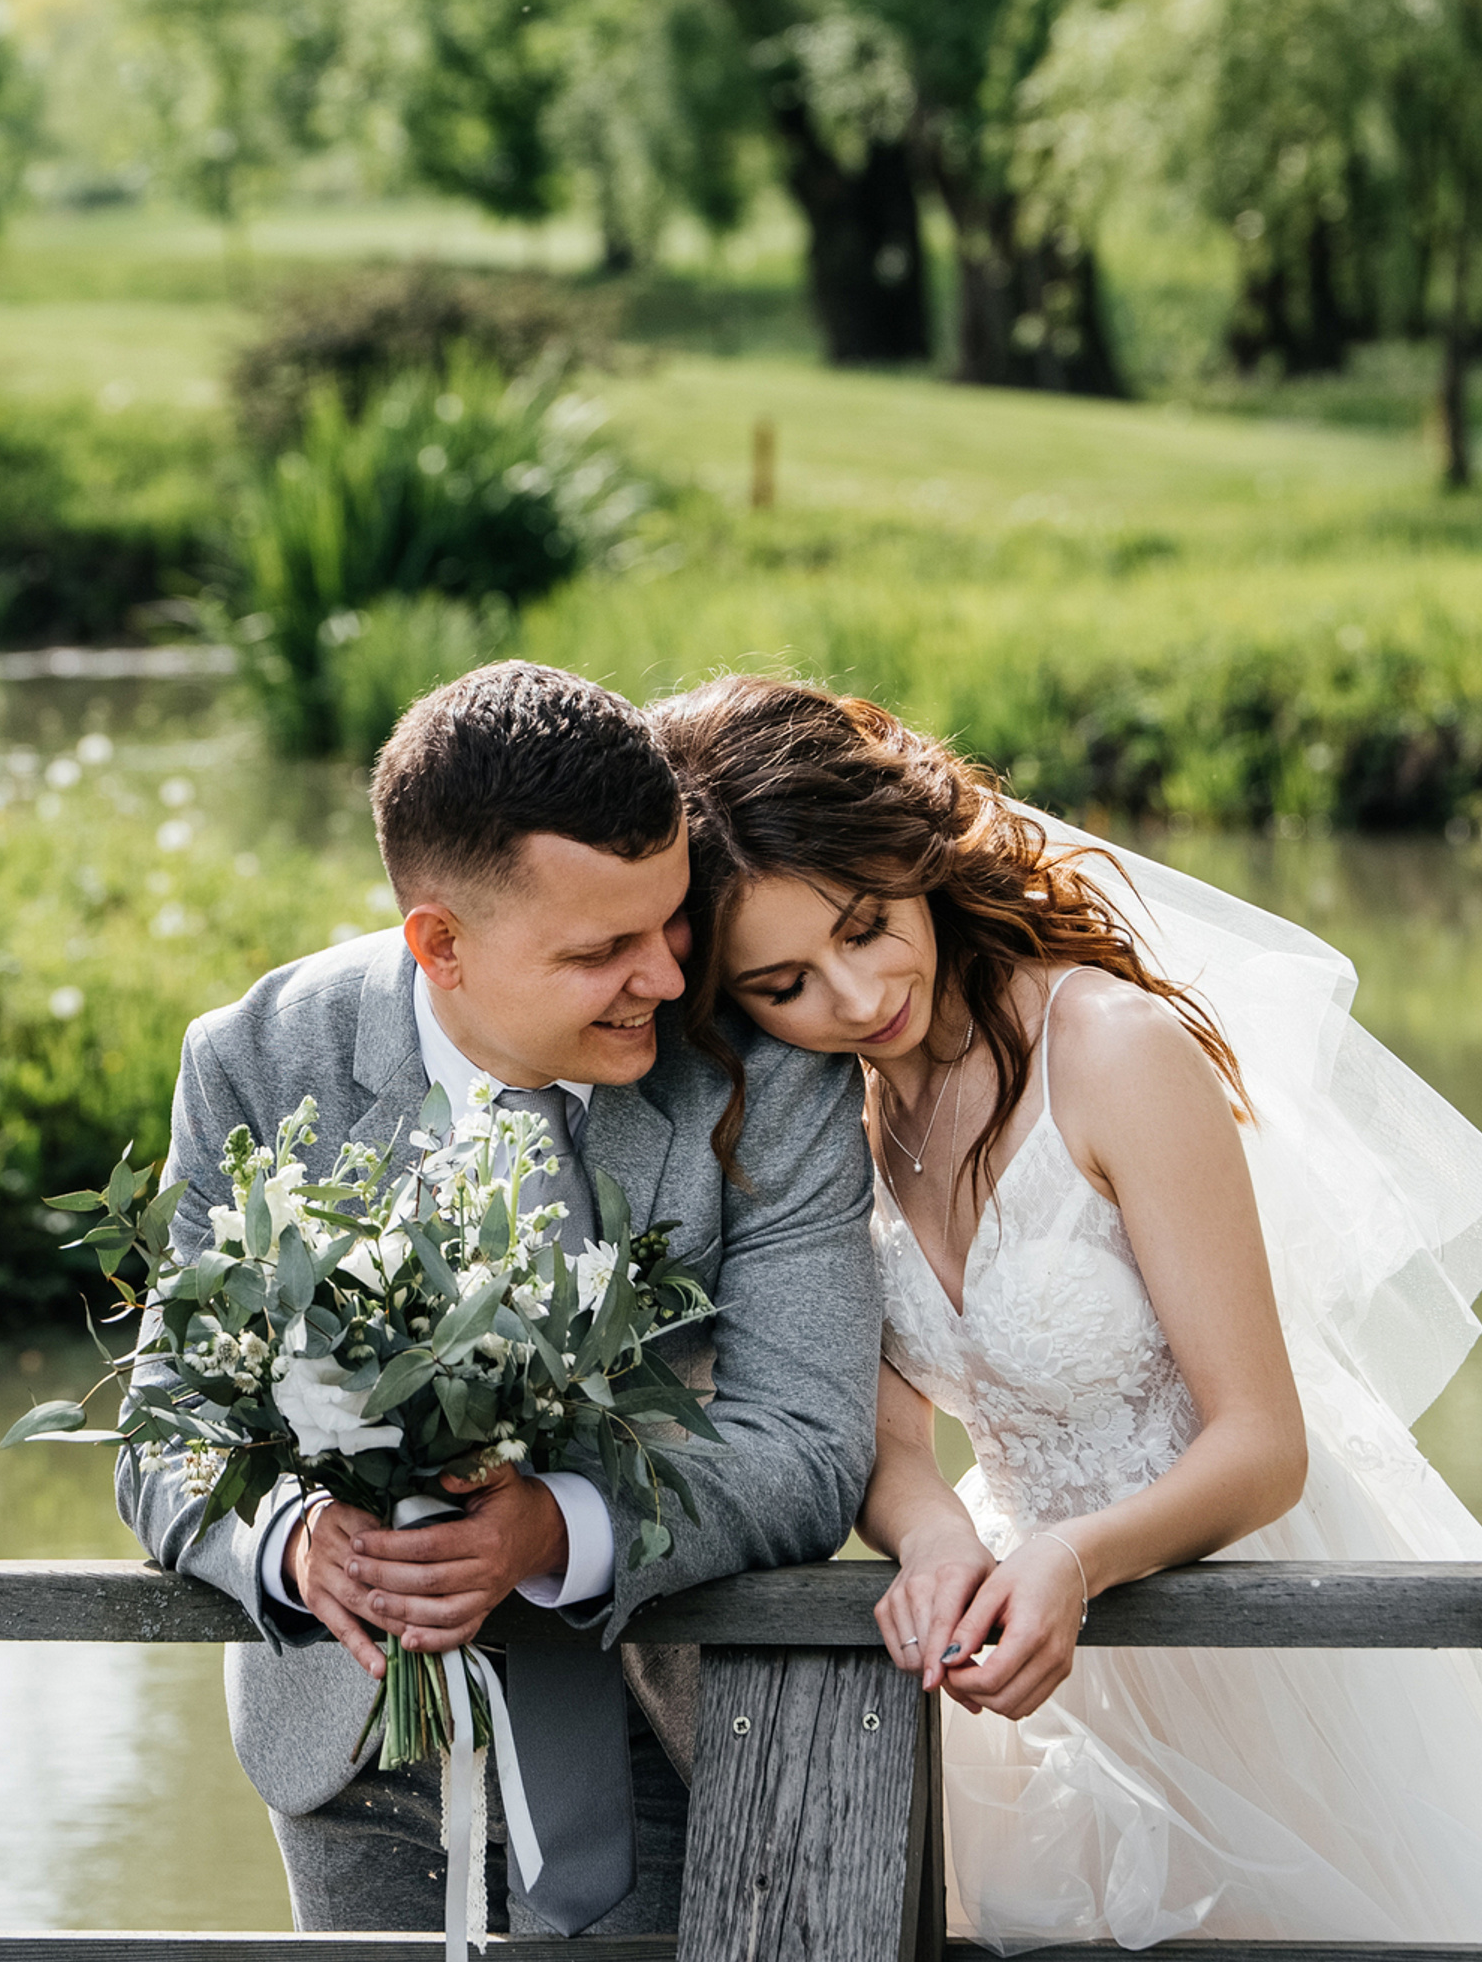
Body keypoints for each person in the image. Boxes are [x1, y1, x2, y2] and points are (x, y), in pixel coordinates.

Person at [653, 673, 1482, 1952]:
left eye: (867, 924)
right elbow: (883, 1440)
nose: (855, 996)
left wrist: (1071, 1558)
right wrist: (934, 1544)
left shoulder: (1109, 1049)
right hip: (1033, 1657)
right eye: (782, 983)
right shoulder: (825, 1114)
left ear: (908, 854)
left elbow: (1261, 1442)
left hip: (1255, 1627)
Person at [119, 661, 880, 1938]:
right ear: (441, 942)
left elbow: (810, 1443)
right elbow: (168, 1425)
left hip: (669, 1715)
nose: (663, 975)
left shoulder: (767, 1070)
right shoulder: (254, 1057)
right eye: (601, 950)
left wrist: (553, 1531)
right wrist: (300, 1545)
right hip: (346, 1737)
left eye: (672, 918)